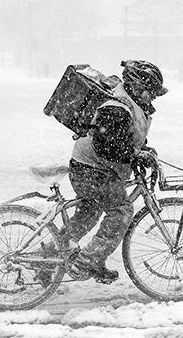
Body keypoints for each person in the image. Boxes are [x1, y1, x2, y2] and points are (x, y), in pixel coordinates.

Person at [60, 60, 167, 284]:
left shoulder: (131, 103)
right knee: (121, 211)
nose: (153, 98)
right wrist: (134, 155)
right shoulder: (117, 106)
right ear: (137, 86)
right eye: (151, 92)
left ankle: (49, 257)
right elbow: (107, 144)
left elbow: (123, 137)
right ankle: (87, 262)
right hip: (92, 169)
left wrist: (142, 151)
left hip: (89, 166)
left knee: (88, 214)